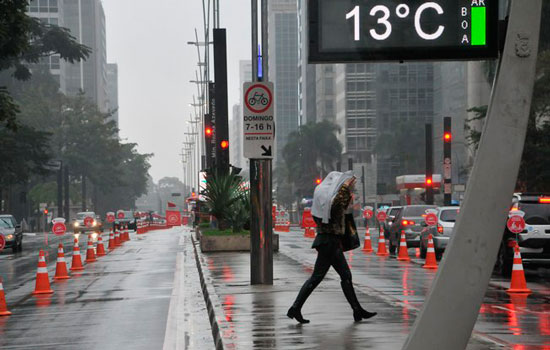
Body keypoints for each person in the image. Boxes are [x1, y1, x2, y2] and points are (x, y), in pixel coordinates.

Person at [287, 171, 377, 324]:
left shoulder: (322, 206)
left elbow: (341, 208)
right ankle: (295, 308)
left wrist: (347, 190)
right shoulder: (331, 204)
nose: (351, 187)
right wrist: (345, 187)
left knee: (345, 276)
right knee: (318, 277)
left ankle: (357, 310)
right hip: (329, 243)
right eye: (348, 185)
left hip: (329, 242)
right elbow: (338, 206)